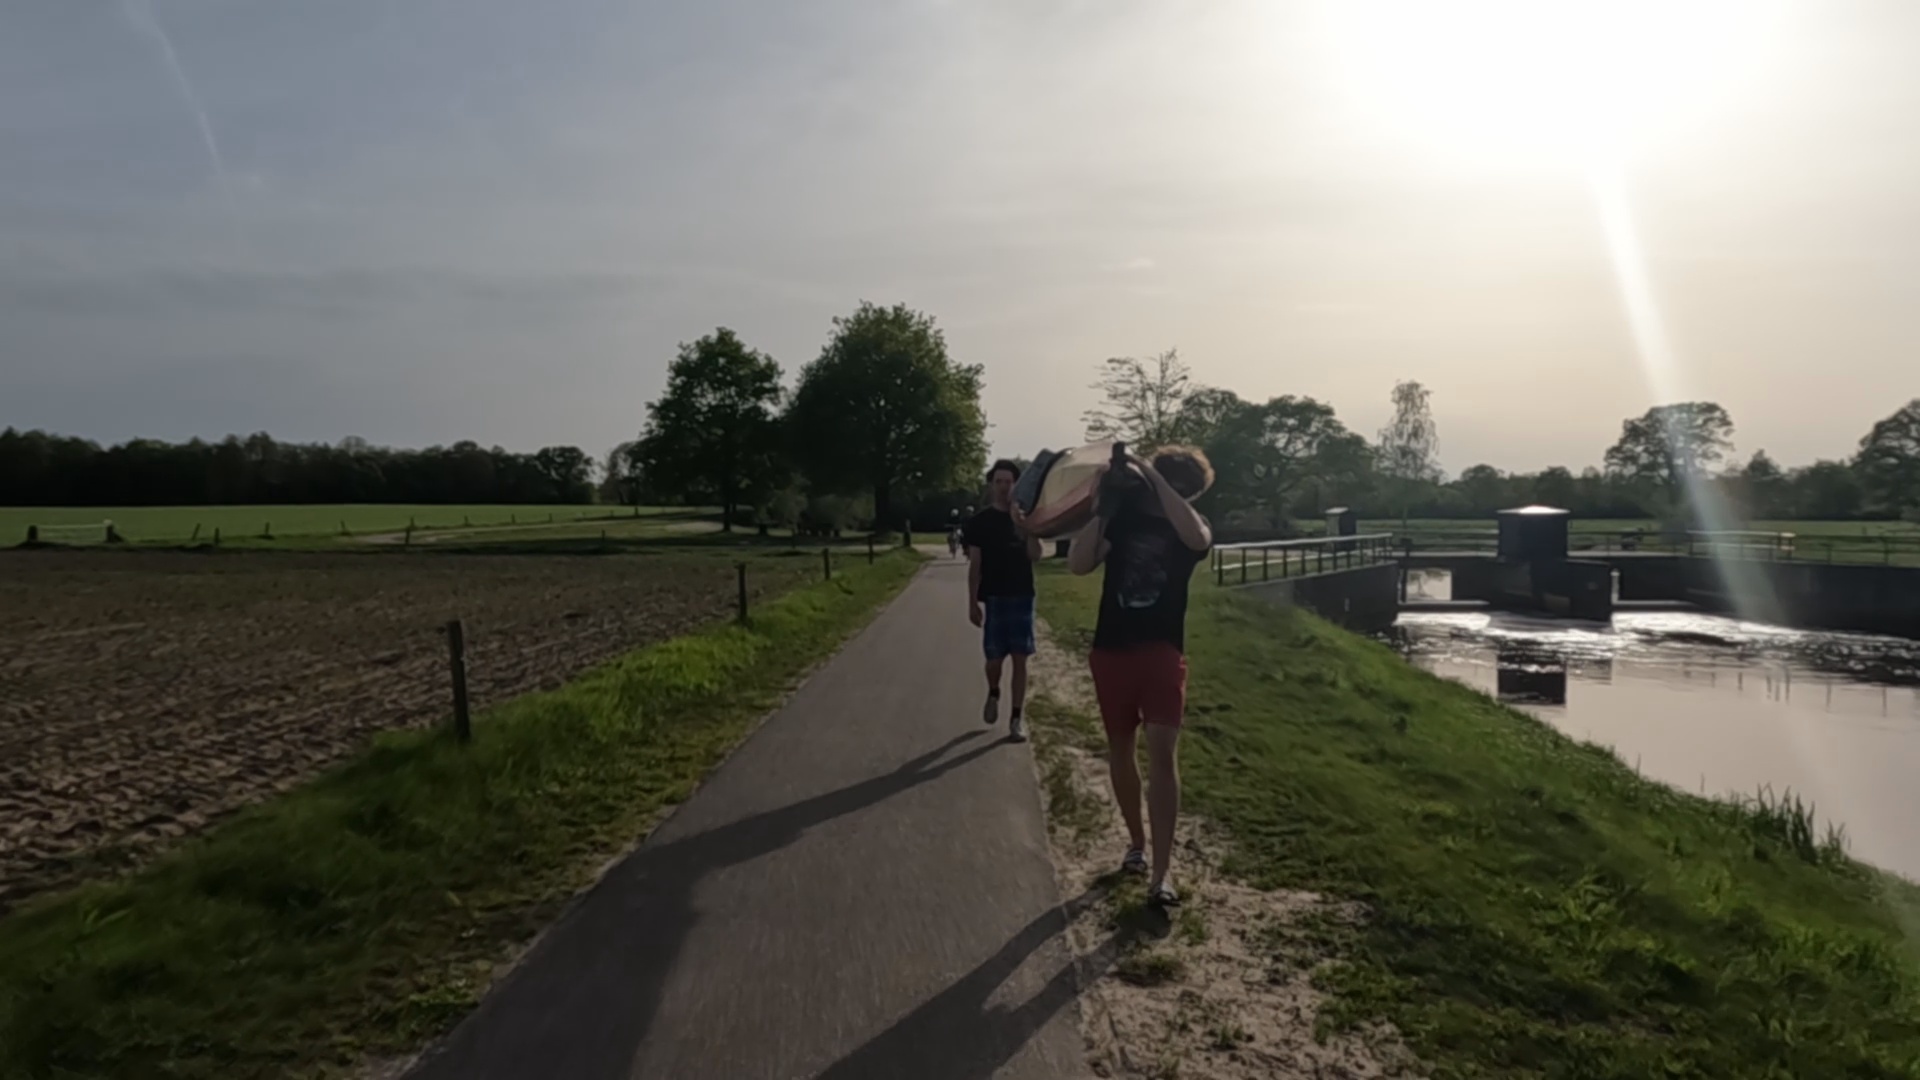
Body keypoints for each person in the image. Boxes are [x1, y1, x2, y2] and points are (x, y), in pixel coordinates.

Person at [1066, 445, 1214, 908]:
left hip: (1163, 651)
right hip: (1111, 650)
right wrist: (1104, 511)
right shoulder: (1122, 519)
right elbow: (1078, 562)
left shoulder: (1185, 526)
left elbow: (1198, 539)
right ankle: (1136, 844)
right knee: (1120, 749)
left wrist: (1152, 474)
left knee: (1162, 754)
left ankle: (1163, 874)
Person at [963, 460, 1043, 742]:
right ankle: (994, 691)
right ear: (991, 485)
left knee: (1021, 660)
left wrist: (1028, 527)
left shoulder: (1025, 518)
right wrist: (972, 602)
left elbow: (1036, 555)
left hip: (1022, 596)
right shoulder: (979, 523)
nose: (1003, 487)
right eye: (998, 481)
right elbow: (975, 566)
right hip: (994, 598)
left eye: (1009, 482)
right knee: (994, 660)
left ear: (1016, 485)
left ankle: (1017, 718)